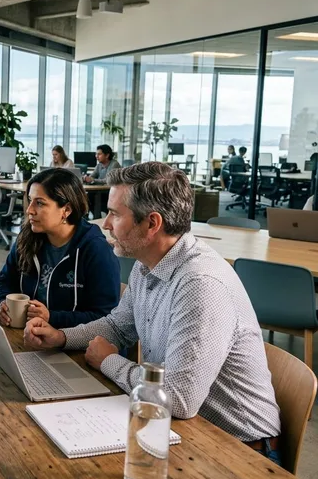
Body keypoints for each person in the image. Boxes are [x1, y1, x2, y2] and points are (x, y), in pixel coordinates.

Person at [24, 162, 281, 465]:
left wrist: (109, 361)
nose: (105, 224)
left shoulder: (200, 284)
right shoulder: (148, 266)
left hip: (240, 451)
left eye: (115, 214)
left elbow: (179, 399)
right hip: (181, 428)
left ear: (152, 223)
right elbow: (117, 327)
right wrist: (61, 337)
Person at [0, 168, 120, 328]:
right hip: (31, 337)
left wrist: (52, 317)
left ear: (66, 210)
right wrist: (1, 302)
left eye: (39, 203)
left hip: (78, 347)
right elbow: (4, 281)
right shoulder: (27, 237)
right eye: (30, 200)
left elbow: (106, 319)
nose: (29, 210)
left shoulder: (96, 250)